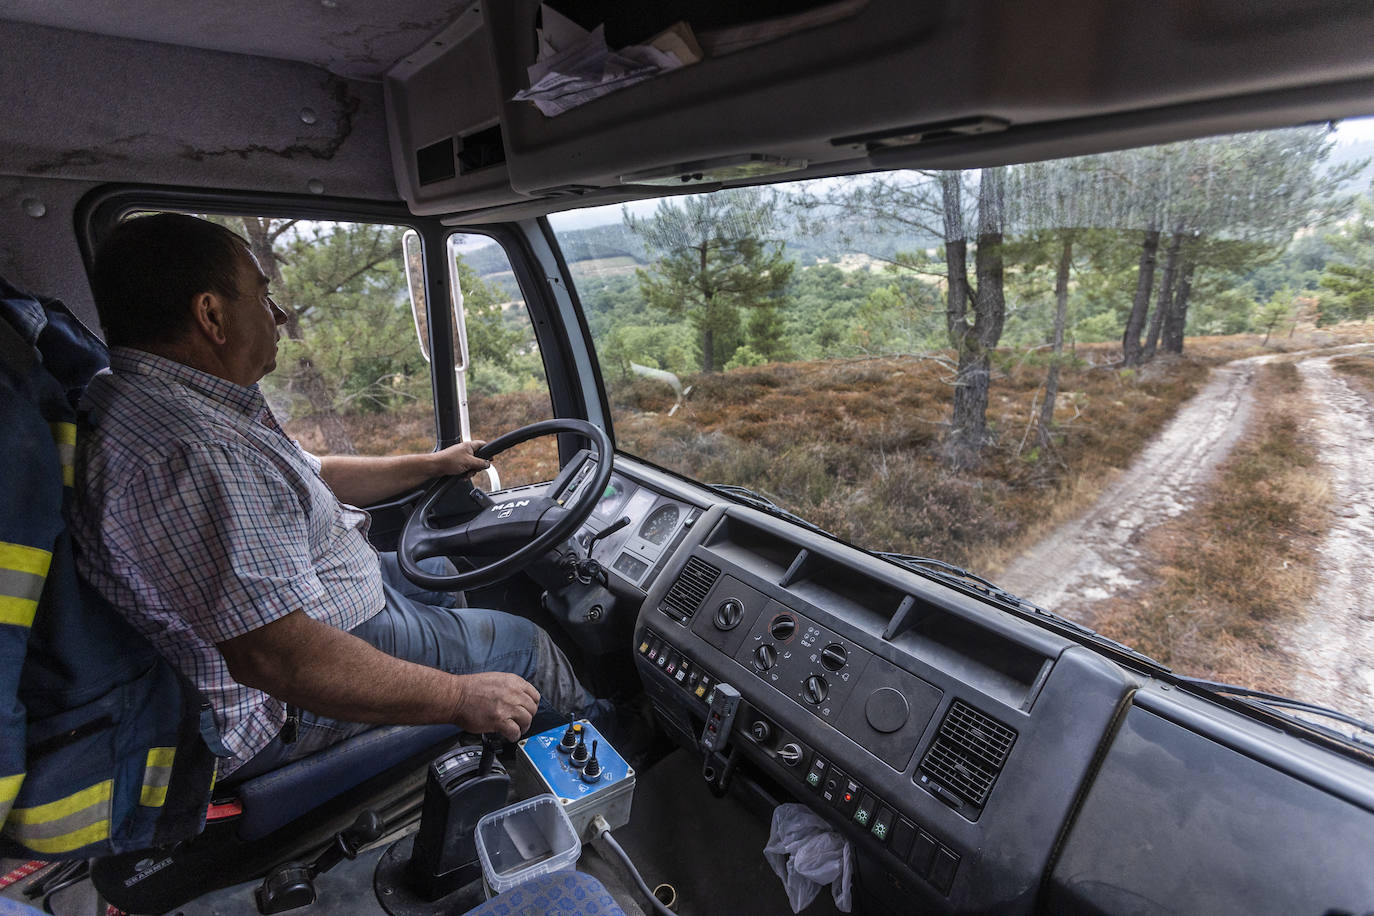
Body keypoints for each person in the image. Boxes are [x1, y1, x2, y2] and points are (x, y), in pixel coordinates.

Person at [70, 213, 606, 781]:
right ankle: (611, 759)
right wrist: (459, 696)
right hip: (279, 700)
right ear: (211, 316)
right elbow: (278, 658)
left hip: (324, 602)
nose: (278, 316)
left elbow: (312, 472)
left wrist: (431, 464)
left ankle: (494, 739)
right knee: (523, 647)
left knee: (441, 567)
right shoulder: (193, 453)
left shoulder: (156, 397)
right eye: (262, 296)